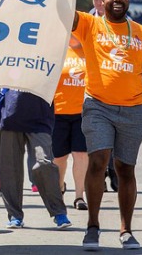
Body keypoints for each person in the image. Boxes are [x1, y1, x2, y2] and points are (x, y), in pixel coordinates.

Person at [57, 0, 142, 249]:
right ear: (102, 0)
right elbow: (61, 14)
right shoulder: (89, 24)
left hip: (133, 110)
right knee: (98, 161)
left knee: (125, 169)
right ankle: (93, 227)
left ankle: (125, 231)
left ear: (127, 0)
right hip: (97, 106)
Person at [0, 90, 72, 229]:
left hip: (40, 116)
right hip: (11, 114)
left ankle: (58, 212)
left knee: (43, 162)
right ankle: (14, 215)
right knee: (9, 168)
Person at [88, 0, 119, 192]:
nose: (99, 3)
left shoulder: (117, 19)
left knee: (114, 135)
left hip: (113, 83)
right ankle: (100, 173)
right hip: (89, 82)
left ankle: (114, 173)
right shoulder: (88, 20)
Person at [52, 35, 88, 210]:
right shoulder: (57, 51)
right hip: (58, 112)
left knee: (81, 154)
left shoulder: (90, 50)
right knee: (59, 157)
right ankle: (59, 189)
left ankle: (79, 196)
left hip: (82, 112)